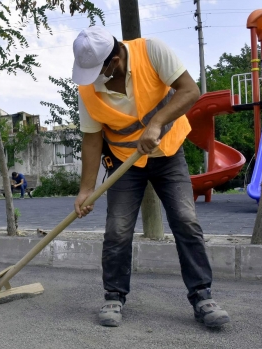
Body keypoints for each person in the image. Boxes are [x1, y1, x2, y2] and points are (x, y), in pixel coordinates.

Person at [71, 26, 230, 328]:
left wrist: (156, 123)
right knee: (117, 229)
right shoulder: (87, 89)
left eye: (97, 70)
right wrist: (86, 190)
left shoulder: (152, 50)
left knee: (185, 220)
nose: (91, 77)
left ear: (114, 60)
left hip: (168, 152)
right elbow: (91, 140)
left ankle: (202, 296)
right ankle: (113, 296)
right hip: (124, 163)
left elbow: (190, 90)